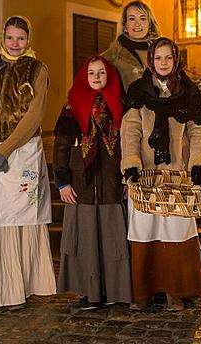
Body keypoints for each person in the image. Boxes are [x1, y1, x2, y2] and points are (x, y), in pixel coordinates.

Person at [0, 15, 56, 311]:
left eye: (20, 38)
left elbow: (35, 113)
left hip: (21, 152)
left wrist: (6, 149)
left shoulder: (38, 70)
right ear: (2, 38)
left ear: (28, 39)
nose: (15, 44)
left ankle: (19, 287)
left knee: (18, 216)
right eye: (10, 38)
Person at [121, 37, 201, 311]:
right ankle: (143, 291)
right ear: (151, 61)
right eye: (158, 58)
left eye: (168, 58)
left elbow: (197, 131)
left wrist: (197, 163)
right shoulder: (138, 91)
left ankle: (175, 291)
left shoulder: (188, 91)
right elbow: (131, 130)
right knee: (144, 229)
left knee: (176, 230)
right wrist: (131, 163)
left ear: (176, 60)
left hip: (176, 174)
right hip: (145, 175)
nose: (163, 63)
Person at [53, 55, 132, 310]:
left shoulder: (119, 106)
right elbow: (61, 148)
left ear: (109, 76)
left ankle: (114, 288)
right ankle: (88, 291)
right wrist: (63, 182)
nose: (97, 77)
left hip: (111, 185)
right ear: (83, 77)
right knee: (85, 240)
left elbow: (127, 145)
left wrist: (128, 176)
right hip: (82, 187)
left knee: (112, 239)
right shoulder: (71, 107)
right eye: (91, 73)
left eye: (101, 72)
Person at [103, 0, 160, 92]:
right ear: (125, 24)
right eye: (132, 18)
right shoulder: (112, 55)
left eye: (143, 18)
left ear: (149, 23)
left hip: (161, 106)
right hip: (129, 106)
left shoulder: (161, 50)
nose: (137, 24)